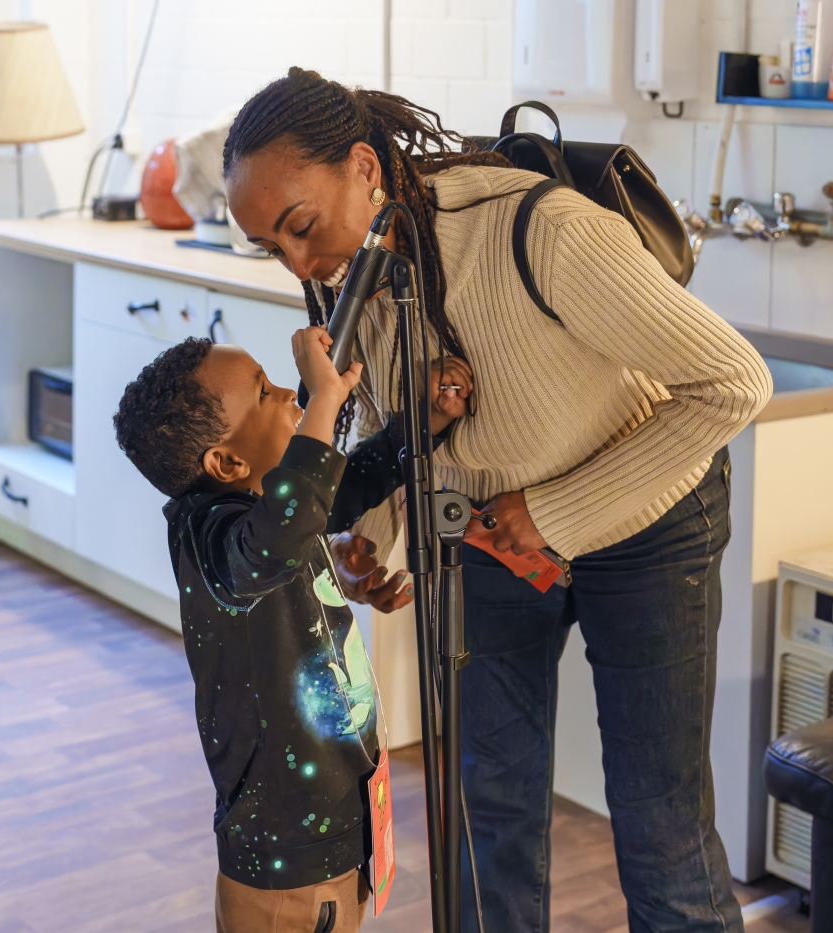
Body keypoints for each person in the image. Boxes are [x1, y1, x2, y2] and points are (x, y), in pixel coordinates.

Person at [222, 68, 773, 933]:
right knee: (489, 811)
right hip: (484, 534)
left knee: (658, 822)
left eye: (300, 226)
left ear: (365, 166)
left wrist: (553, 515)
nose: (298, 263)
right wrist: (371, 531)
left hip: (651, 519)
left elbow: (735, 381)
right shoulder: (347, 267)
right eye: (271, 246)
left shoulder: (539, 229)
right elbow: (385, 409)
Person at [113, 328, 467, 933]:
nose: (288, 394)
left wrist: (424, 421)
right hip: (286, 854)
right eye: (265, 393)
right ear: (227, 463)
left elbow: (343, 487)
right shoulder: (213, 537)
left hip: (338, 820)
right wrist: (325, 402)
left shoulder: (265, 511)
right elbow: (282, 531)